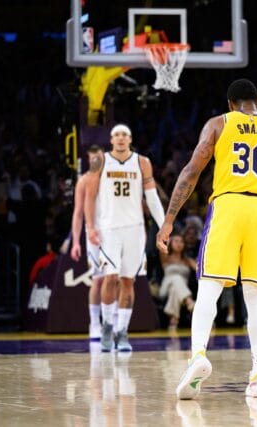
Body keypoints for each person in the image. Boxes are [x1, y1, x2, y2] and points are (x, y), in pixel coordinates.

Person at [156, 79, 257, 399]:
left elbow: (191, 172)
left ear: (229, 104)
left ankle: (198, 355)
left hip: (229, 205)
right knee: (255, 295)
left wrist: (169, 220)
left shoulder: (218, 123)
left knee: (209, 287)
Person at [85, 124, 166, 351]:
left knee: (128, 281)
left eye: (125, 135)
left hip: (135, 229)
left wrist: (163, 226)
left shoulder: (142, 162)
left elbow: (152, 198)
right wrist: (90, 226)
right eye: (117, 135)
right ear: (111, 139)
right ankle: (107, 326)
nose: (121, 138)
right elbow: (90, 197)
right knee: (110, 277)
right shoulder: (100, 161)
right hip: (109, 229)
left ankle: (122, 332)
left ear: (130, 139)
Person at [70, 145, 108, 340]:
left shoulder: (111, 177)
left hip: (113, 232)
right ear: (88, 159)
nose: (96, 161)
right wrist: (76, 242)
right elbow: (78, 213)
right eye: (93, 158)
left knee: (114, 279)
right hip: (93, 234)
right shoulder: (84, 181)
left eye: (98, 157)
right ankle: (94, 323)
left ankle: (112, 324)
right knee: (98, 279)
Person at [159, 234, 196, 330]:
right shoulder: (166, 257)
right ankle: (189, 301)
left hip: (181, 289)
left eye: (181, 241)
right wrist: (167, 240)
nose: (179, 244)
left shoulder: (187, 260)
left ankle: (174, 319)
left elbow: (199, 270)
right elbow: (161, 246)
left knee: (174, 289)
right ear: (170, 242)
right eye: (176, 241)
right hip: (166, 286)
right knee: (176, 278)